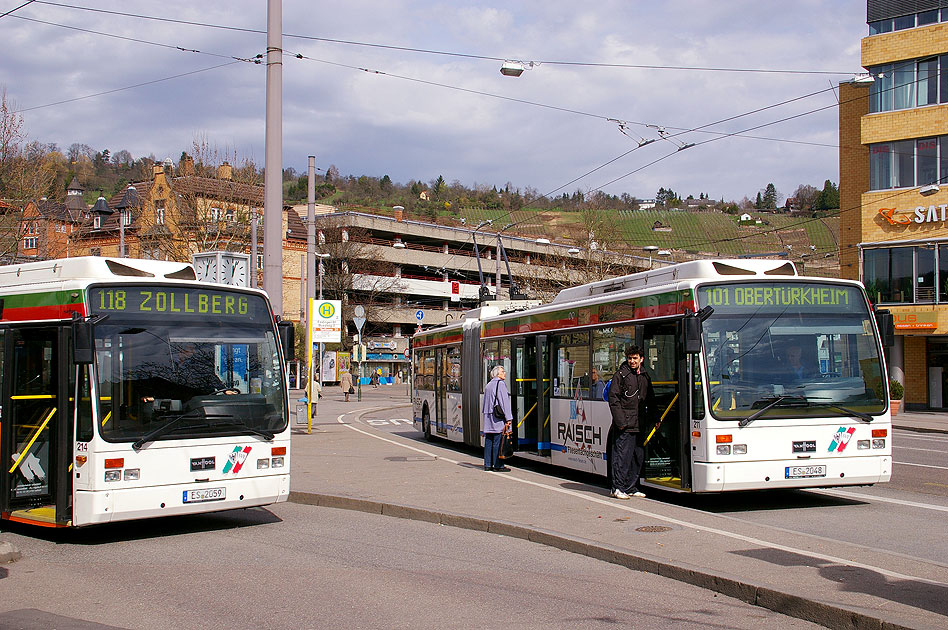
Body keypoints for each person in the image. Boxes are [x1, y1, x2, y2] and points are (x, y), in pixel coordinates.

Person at [608, 346, 653, 499]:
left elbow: (650, 398)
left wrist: (656, 418)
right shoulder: (621, 375)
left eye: (635, 358)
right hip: (625, 424)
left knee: (637, 456)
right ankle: (617, 488)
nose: (632, 361)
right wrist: (621, 422)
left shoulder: (645, 376)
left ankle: (631, 487)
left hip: (640, 423)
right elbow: (613, 399)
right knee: (622, 456)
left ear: (641, 359)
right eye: (630, 358)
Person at [481, 364, 513, 472]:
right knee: (498, 441)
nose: (505, 373)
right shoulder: (501, 384)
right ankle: (498, 465)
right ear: (497, 374)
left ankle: (487, 464)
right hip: (498, 418)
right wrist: (509, 418)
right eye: (502, 371)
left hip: (488, 416)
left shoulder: (488, 385)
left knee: (489, 440)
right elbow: (504, 403)